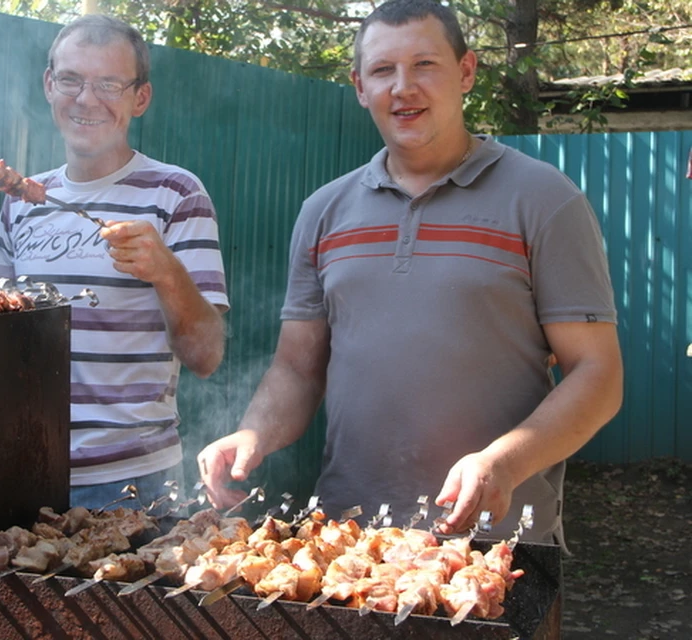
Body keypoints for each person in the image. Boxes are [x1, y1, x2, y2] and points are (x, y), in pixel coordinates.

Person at [197, 0, 622, 545]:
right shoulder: (324, 211)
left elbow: (599, 375)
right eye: (382, 70)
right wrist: (255, 431)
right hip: (350, 537)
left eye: (425, 64)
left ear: (466, 71)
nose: (404, 88)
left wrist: (504, 463)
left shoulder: (544, 201)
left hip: (499, 543)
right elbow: (299, 368)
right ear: (358, 85)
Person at [0, 15, 229, 511]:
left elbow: (206, 356)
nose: (86, 99)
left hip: (134, 484)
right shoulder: (19, 200)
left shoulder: (177, 194)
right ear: (48, 85)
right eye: (71, 79)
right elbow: (1, 346)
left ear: (139, 98)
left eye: (108, 84)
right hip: (25, 469)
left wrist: (166, 272)